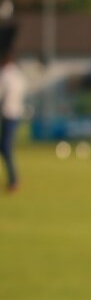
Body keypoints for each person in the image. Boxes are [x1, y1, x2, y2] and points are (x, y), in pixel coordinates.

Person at [0, 50, 26, 193]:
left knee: (5, 148)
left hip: (7, 114)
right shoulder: (19, 75)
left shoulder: (5, 75)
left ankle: (13, 180)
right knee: (5, 147)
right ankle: (13, 180)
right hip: (16, 114)